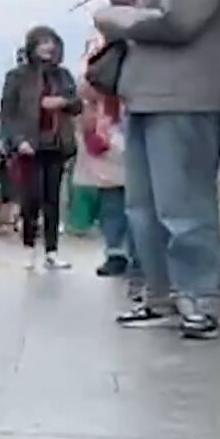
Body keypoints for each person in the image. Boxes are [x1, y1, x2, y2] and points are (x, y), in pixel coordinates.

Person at [96, 0, 220, 339]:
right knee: (148, 209)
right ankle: (164, 295)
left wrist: (113, 16)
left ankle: (198, 299)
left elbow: (177, 21)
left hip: (184, 96)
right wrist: (133, 2)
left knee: (181, 208)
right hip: (158, 95)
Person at [0, 25, 82, 271]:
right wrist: (17, 140)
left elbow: (77, 104)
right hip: (29, 145)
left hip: (55, 143)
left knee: (52, 198)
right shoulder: (17, 77)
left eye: (52, 42)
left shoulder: (63, 75)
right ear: (32, 46)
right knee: (31, 197)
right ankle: (28, 248)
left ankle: (52, 250)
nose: (48, 47)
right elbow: (8, 113)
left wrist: (63, 102)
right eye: (43, 42)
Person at [76, 36, 133, 278]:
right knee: (112, 199)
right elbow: (84, 87)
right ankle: (116, 251)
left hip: (126, 122)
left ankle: (133, 251)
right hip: (107, 129)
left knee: (133, 199)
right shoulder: (96, 51)